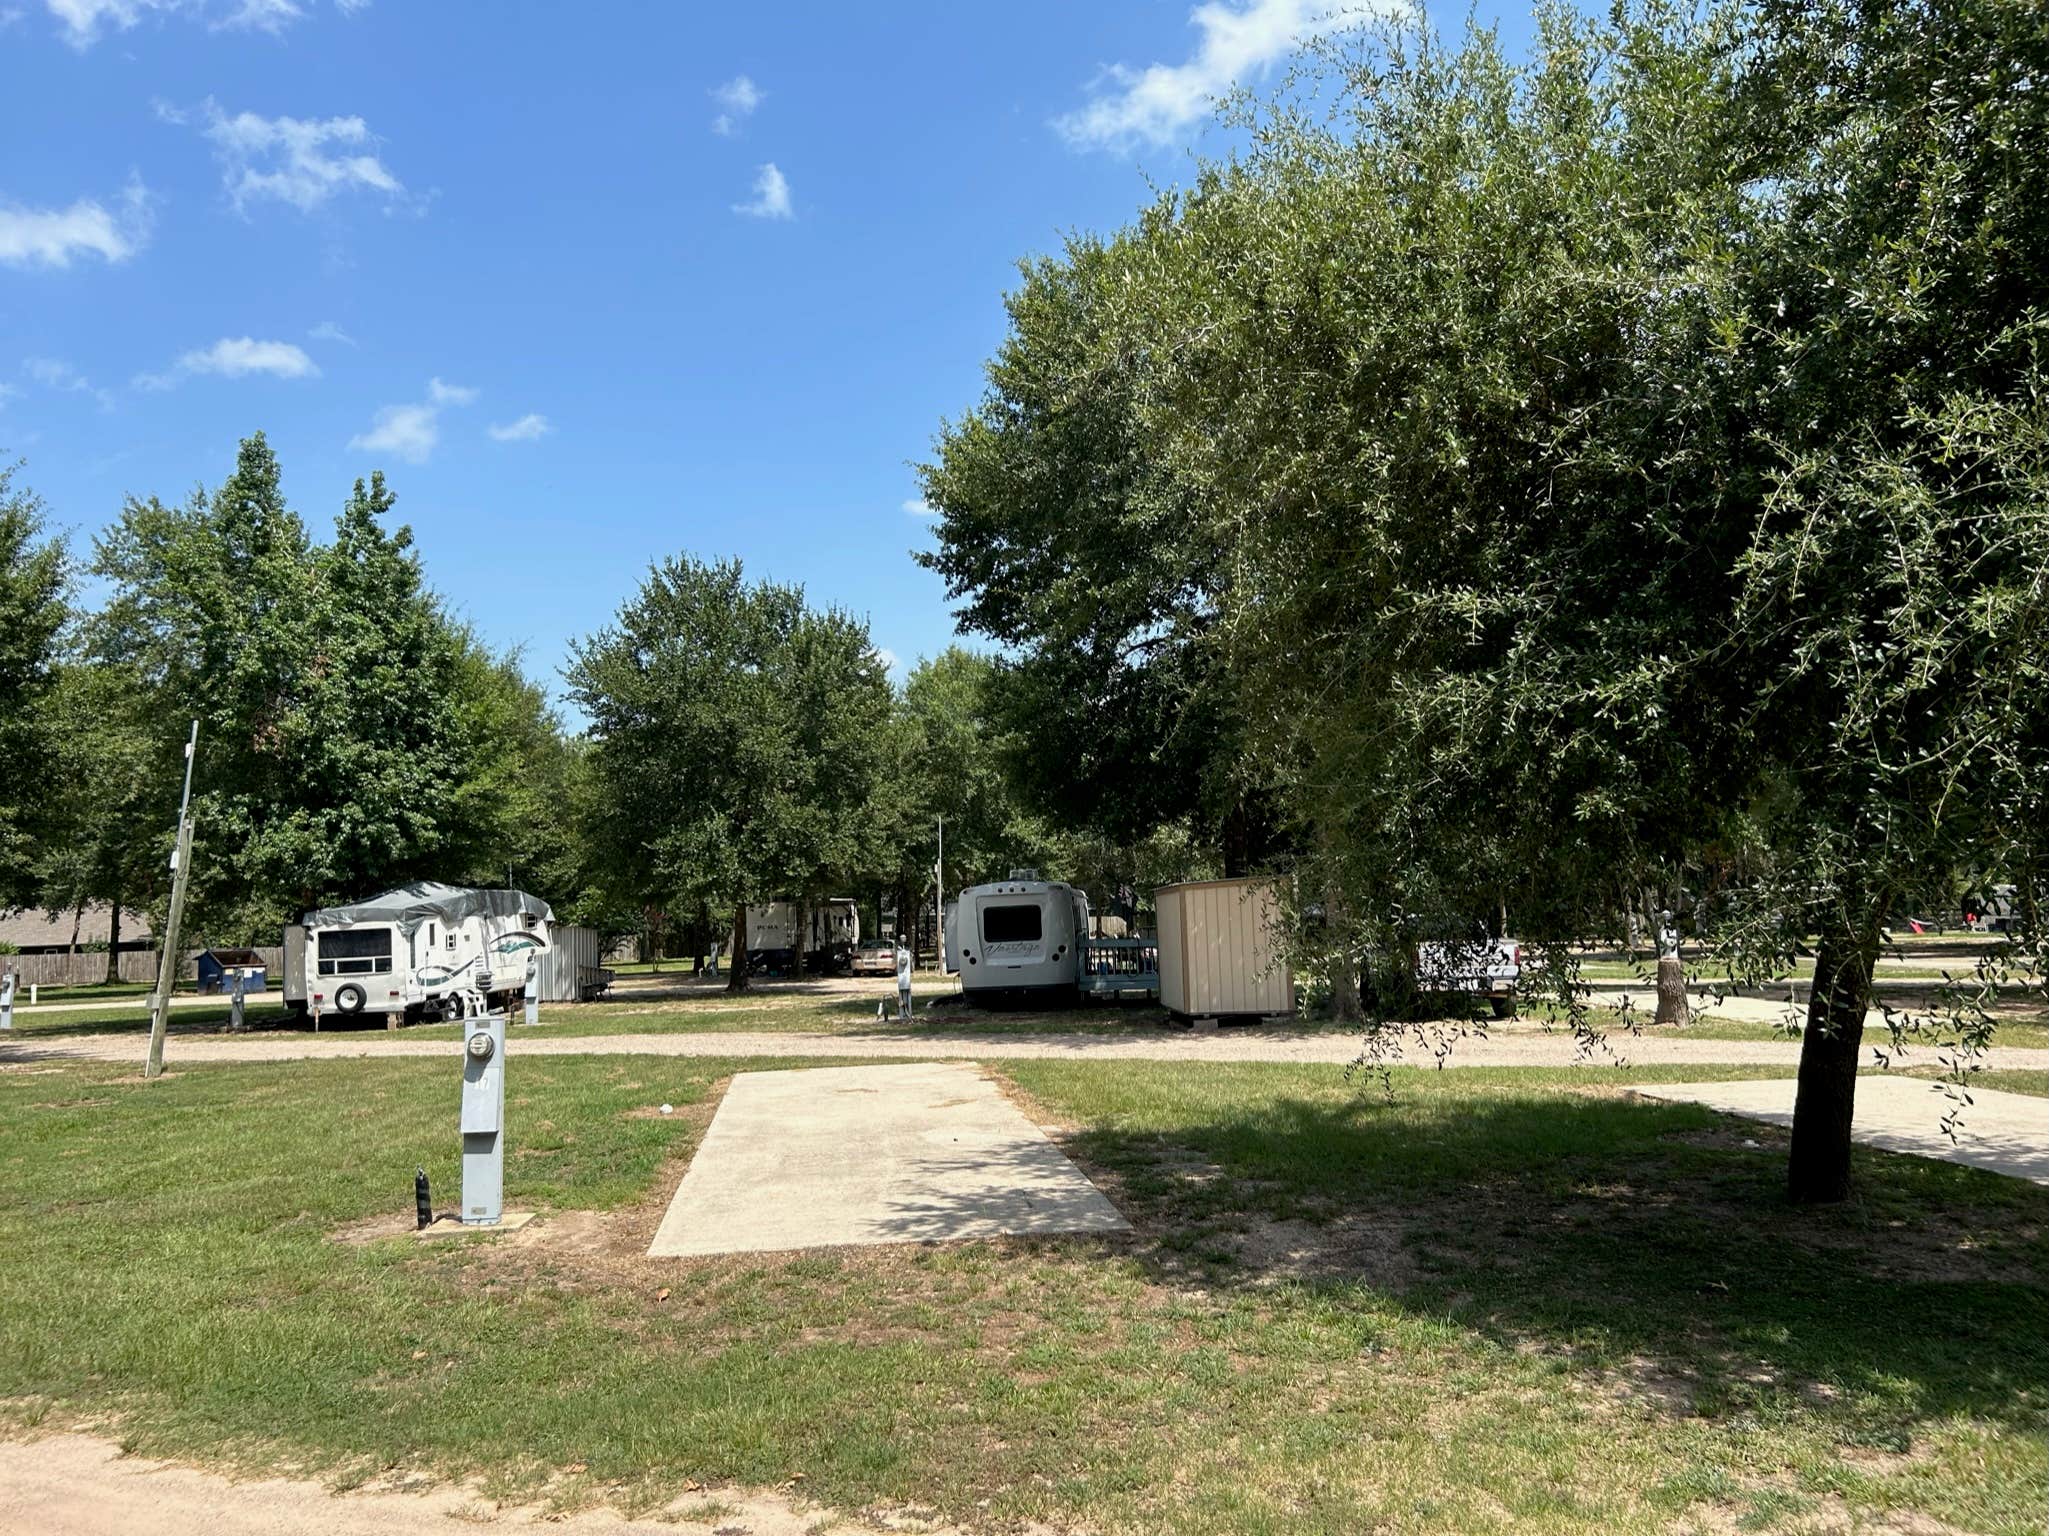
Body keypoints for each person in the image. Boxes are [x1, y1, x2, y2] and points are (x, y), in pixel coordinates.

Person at [894, 935, 913, 1020]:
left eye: (904, 938)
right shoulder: (899, 949)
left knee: (907, 990)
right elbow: (901, 961)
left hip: (906, 976)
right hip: (902, 976)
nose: (903, 940)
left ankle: (908, 1012)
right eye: (902, 938)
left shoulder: (907, 949)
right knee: (901, 992)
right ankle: (903, 1012)